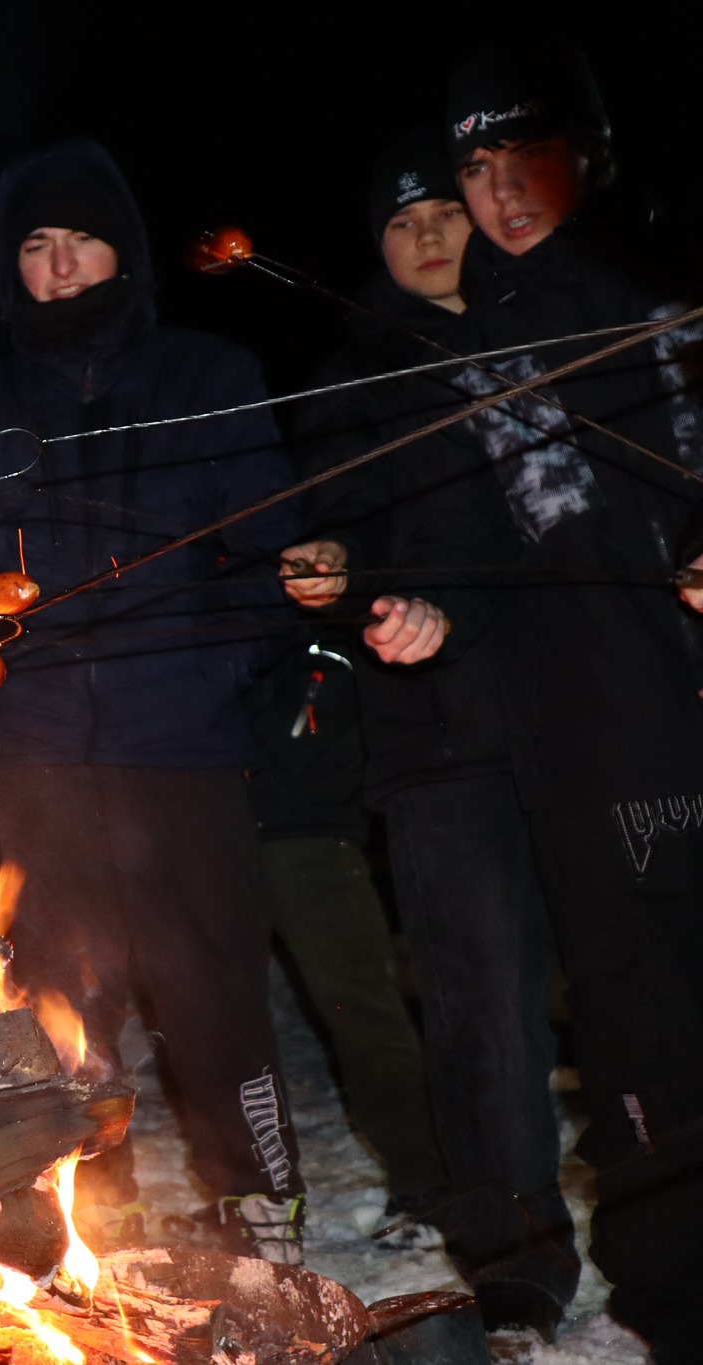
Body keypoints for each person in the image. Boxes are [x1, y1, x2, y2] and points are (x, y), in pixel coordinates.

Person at [353, 46, 703, 1354]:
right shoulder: (486, 336)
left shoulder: (665, 281)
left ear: (590, 152)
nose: (496, 195)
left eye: (522, 159)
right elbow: (502, 538)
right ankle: (672, 1286)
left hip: (674, 683)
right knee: (635, 1012)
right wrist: (406, 600)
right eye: (473, 168)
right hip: (592, 726)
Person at [0, 139, 307, 1261]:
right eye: (35, 248)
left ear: (121, 251)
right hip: (41, 748)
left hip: (177, 739)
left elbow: (267, 549)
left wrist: (225, 674)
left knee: (209, 990)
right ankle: (92, 1215)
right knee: (57, 993)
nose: (57, 266)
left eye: (79, 240)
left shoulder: (208, 372)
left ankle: (255, 1200)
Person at [278, 134, 571, 1327]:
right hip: (441, 740)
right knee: (477, 1008)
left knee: (644, 989)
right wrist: (337, 577)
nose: (427, 236)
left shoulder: (566, 335)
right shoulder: (358, 382)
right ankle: (513, 1256)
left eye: (439, 211)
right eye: (397, 225)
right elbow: (335, 531)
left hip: (596, 725)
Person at [243, 626, 448, 1246]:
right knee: (213, 1018)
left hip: (314, 828)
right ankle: (249, 1193)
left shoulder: (340, 615)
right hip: (204, 821)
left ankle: (424, 1178)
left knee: (357, 1001)